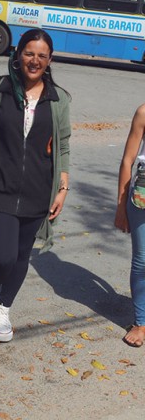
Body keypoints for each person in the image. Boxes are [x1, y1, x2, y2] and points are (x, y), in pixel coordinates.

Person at [0, 28, 71, 343]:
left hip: (38, 192)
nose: (34, 61)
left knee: (22, 256)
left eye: (42, 56)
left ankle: (4, 308)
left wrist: (62, 187)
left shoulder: (58, 100)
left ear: (50, 61)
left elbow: (62, 145)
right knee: (4, 255)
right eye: (29, 53)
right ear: (17, 54)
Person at [114, 104, 145, 347]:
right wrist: (121, 206)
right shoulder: (144, 112)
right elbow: (127, 160)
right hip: (142, 196)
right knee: (142, 261)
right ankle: (141, 321)